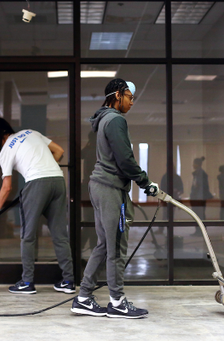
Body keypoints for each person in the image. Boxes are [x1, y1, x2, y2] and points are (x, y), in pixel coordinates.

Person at [71, 78, 159, 319]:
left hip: (99, 186)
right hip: (111, 189)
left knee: (103, 244)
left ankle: (83, 298)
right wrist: (146, 183)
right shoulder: (116, 120)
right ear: (118, 95)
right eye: (130, 96)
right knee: (117, 246)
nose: (132, 102)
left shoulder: (103, 120)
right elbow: (125, 160)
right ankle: (117, 302)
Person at [0, 118, 75, 295]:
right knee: (59, 234)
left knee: (28, 236)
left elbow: (7, 187)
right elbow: (59, 151)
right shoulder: (31, 132)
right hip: (57, 180)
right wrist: (46, 171)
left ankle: (27, 282)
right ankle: (69, 281)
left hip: (36, 183)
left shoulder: (5, 151)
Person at [190, 157, 213, 235]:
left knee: (199, 215)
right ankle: (198, 231)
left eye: (194, 163)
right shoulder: (197, 173)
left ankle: (200, 231)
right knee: (198, 215)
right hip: (197, 198)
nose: (193, 165)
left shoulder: (200, 174)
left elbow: (198, 186)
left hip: (199, 198)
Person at [157, 167, 184, 233]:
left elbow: (181, 189)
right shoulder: (165, 177)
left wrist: (176, 191)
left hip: (174, 199)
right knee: (165, 215)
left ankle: (168, 230)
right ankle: (163, 229)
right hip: (166, 199)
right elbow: (162, 188)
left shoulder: (177, 178)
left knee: (170, 215)